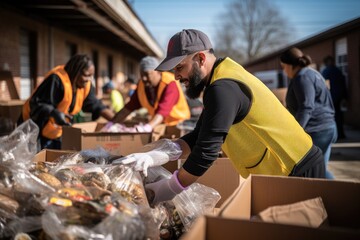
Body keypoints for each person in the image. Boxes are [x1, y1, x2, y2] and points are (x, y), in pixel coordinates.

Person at [119, 29, 326, 205]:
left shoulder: (223, 88)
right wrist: (157, 155)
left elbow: (206, 152)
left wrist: (168, 188)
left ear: (200, 58)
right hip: (286, 170)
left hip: (296, 169)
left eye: (180, 67)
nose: (176, 76)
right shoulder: (220, 80)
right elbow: (199, 135)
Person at [18, 54, 114, 149]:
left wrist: (116, 120)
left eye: (91, 76)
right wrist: (54, 113)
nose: (89, 80)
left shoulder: (84, 85)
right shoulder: (56, 79)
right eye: (86, 75)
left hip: (56, 131)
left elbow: (95, 104)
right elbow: (37, 104)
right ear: (76, 71)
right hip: (33, 129)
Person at [280, 48, 337, 179]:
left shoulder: (302, 78)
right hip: (326, 127)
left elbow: (306, 107)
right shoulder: (313, 73)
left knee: (315, 171)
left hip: (318, 131)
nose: (284, 70)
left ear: (289, 65)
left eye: (283, 66)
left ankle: (337, 193)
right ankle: (331, 193)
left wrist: (296, 132)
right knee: (320, 169)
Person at [111, 56, 190, 133]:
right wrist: (111, 124)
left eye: (147, 74)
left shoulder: (170, 83)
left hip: (178, 125)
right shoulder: (142, 85)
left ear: (158, 72)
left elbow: (162, 111)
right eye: (142, 75)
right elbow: (129, 107)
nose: (144, 78)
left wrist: (146, 128)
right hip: (160, 125)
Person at [322, 55, 348, 140]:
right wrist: (345, 96)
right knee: (339, 116)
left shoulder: (326, 71)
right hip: (338, 96)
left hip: (330, 97)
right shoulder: (338, 71)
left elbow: (325, 86)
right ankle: (341, 134)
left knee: (331, 117)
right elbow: (343, 84)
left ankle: (334, 136)